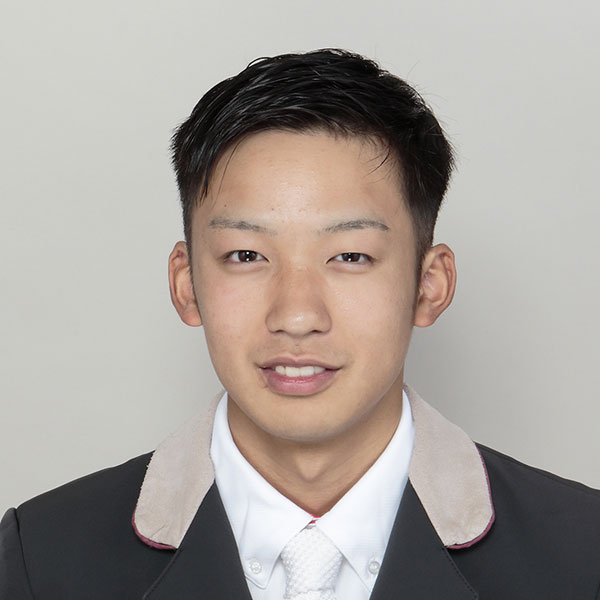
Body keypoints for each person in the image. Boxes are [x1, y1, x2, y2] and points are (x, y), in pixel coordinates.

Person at [1, 48, 599, 600]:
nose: (296, 316)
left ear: (429, 285)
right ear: (186, 285)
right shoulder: (40, 560)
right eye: (246, 255)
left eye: (350, 256)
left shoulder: (583, 555)